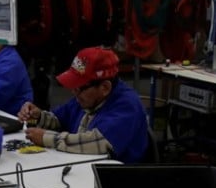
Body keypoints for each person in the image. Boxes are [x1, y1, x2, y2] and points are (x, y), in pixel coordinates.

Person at [17, 46, 148, 163]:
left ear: (105, 88)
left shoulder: (127, 107)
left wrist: (47, 138)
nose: (74, 93)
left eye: (79, 88)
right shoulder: (85, 98)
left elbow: (96, 142)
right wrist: (38, 116)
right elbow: (59, 120)